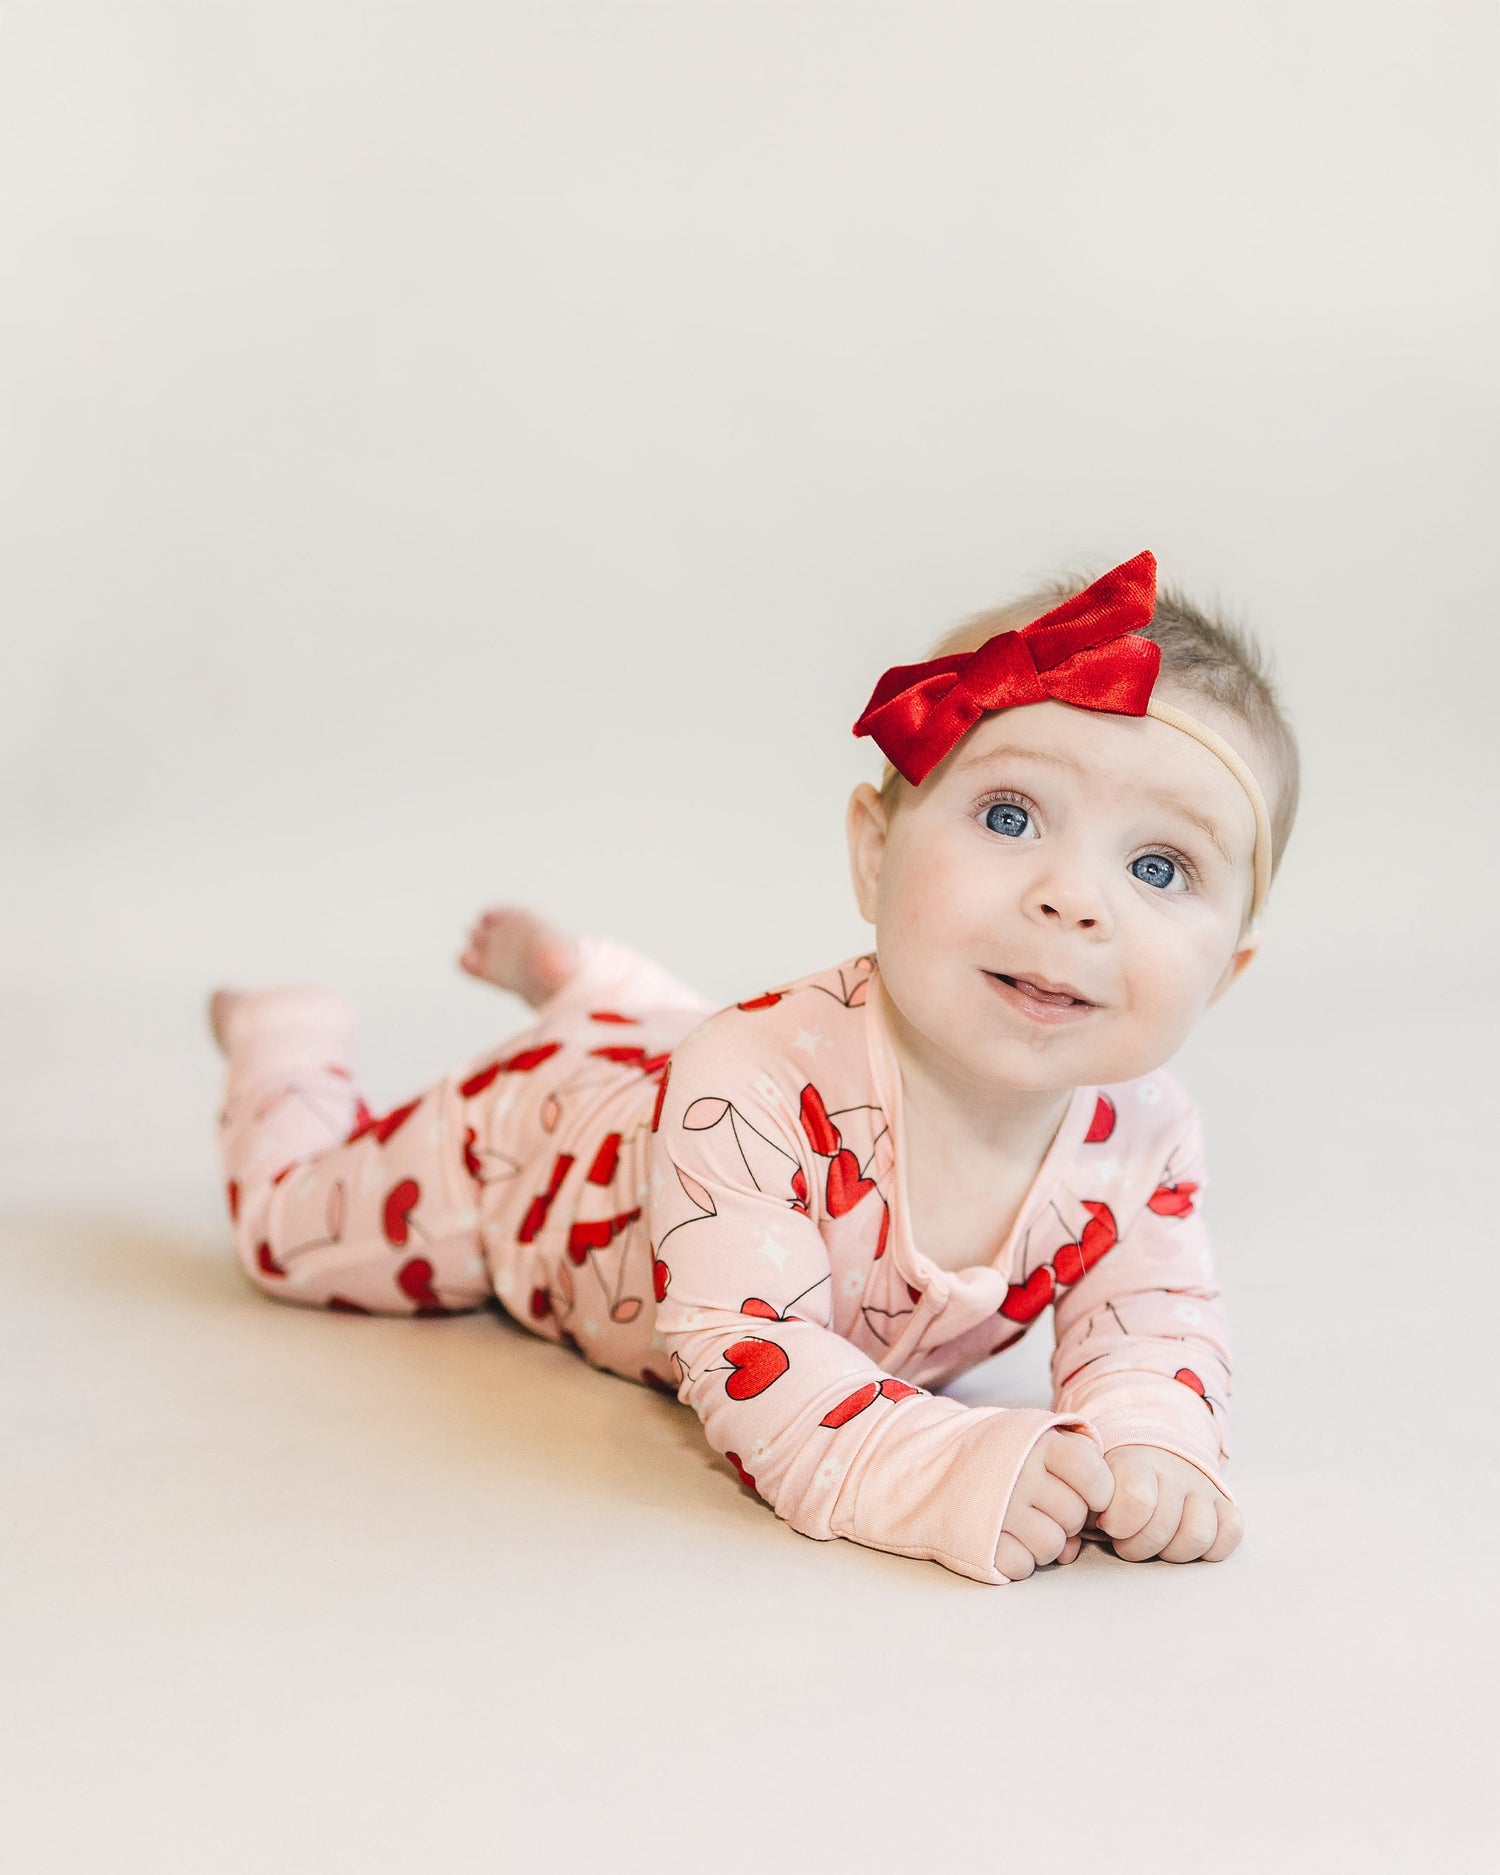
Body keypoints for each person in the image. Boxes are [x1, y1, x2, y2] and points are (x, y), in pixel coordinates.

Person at [209, 549, 1298, 1586]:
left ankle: (598, 985)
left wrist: (1151, 1445)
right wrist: (943, 1465)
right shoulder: (746, 1084)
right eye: (1010, 816)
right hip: (537, 1148)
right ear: (875, 853)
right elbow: (757, 1357)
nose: (1073, 898)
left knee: (696, 1039)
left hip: (681, 1063)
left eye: (1160, 866)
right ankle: (292, 1039)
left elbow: (1150, 1321)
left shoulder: (1144, 1134)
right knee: (287, 1235)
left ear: (1229, 972)